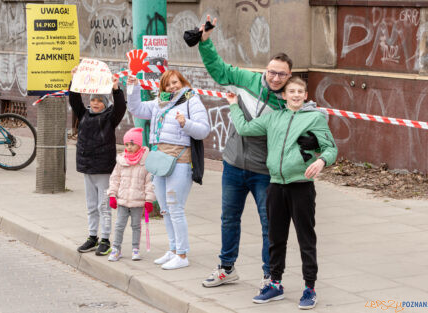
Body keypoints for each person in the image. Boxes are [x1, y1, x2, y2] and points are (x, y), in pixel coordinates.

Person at [197, 16, 317, 294]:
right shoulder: (246, 79)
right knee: (229, 218)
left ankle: (269, 275)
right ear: (265, 70)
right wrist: (205, 42)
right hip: (234, 164)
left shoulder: (289, 102)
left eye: (282, 75)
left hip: (265, 172)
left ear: (290, 77)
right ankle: (227, 268)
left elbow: (308, 128)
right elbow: (219, 69)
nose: (275, 78)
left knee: (270, 225)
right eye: (271, 72)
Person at [227, 77, 338, 310]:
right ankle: (275, 284)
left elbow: (331, 148)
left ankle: (310, 288)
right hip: (275, 185)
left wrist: (321, 162)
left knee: (305, 238)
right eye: (292, 91)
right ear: (284, 96)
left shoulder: (315, 117)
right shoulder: (273, 118)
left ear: (306, 95)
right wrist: (234, 105)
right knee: (276, 238)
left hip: (301, 186)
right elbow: (245, 129)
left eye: (300, 91)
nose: (296, 94)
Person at [126, 70, 210, 270]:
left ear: (182, 82)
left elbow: (204, 130)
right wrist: (133, 88)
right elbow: (136, 109)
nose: (172, 87)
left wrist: (185, 123)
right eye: (168, 85)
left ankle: (182, 254)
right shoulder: (158, 103)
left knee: (176, 208)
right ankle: (173, 250)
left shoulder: (192, 100)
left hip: (180, 161)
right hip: (160, 161)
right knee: (165, 210)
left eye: (175, 83)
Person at [69, 66, 126, 256]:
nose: (95, 103)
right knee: (91, 205)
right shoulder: (84, 114)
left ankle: (105, 239)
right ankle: (92, 236)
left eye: (99, 101)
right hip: (87, 167)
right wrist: (74, 80)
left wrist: (116, 89)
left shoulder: (110, 117)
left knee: (104, 206)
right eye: (92, 100)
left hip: (103, 168)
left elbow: (120, 108)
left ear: (105, 103)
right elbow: (74, 99)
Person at [106, 127, 155, 262]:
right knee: (119, 225)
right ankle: (116, 249)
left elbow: (149, 183)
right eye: (127, 144)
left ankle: (135, 248)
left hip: (137, 201)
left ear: (139, 144)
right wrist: (112, 195)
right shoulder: (122, 161)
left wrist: (149, 200)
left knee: (136, 226)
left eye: (132, 144)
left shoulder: (145, 163)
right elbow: (114, 179)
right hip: (122, 201)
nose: (129, 147)